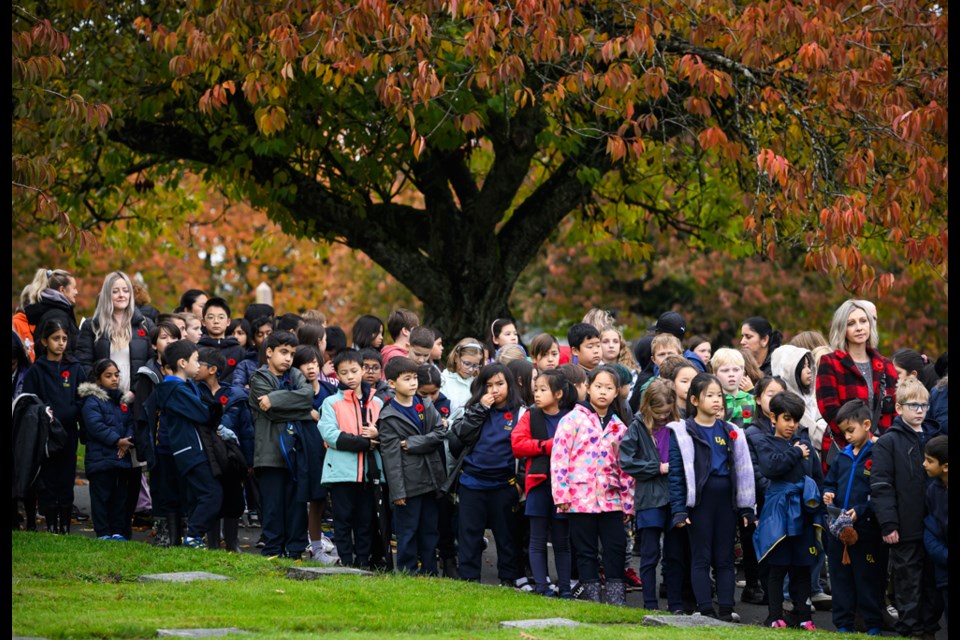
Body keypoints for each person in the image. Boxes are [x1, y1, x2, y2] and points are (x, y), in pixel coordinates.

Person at [668, 372, 756, 622]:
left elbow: (743, 469)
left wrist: (746, 508)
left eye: (719, 395)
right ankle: (705, 609)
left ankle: (727, 610)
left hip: (725, 501)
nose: (717, 400)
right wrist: (679, 509)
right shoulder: (684, 432)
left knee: (725, 556)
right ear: (694, 400)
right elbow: (676, 474)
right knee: (701, 556)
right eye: (710, 395)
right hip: (700, 502)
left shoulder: (731, 431)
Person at [551, 365, 635, 605]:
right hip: (580, 498)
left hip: (612, 500)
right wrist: (562, 495)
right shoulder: (572, 419)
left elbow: (626, 468)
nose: (602, 392)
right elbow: (559, 458)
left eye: (609, 388)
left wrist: (628, 503)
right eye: (598, 386)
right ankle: (591, 598)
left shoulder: (620, 427)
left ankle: (615, 598)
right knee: (585, 550)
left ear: (617, 392)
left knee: (615, 547)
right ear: (587, 388)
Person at [870, 376, 942, 638]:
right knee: (907, 580)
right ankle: (910, 629)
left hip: (934, 525)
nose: (920, 411)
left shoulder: (935, 439)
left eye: (924, 405)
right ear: (899, 408)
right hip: (904, 524)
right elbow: (881, 485)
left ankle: (928, 629)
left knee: (932, 581)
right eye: (914, 405)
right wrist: (889, 523)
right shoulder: (889, 441)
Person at [447, 363, 523, 587]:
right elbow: (460, 435)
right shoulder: (473, 408)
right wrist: (480, 409)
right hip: (472, 482)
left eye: (500, 384)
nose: (494, 390)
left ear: (509, 385)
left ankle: (508, 579)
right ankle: (469, 579)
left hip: (504, 484)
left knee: (506, 536)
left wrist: (519, 484)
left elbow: (525, 452)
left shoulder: (521, 412)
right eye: (488, 385)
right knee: (469, 535)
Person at [752, 391, 823, 630]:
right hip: (778, 512)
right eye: (786, 418)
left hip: (802, 512)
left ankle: (804, 616)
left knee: (802, 566)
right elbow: (771, 467)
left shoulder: (806, 445)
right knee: (777, 566)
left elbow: (816, 476)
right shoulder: (765, 442)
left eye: (796, 419)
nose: (792, 425)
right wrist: (795, 452)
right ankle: (774, 616)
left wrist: (823, 496)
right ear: (773, 417)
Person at [620, 378, 686, 612]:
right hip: (649, 498)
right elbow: (626, 461)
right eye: (657, 412)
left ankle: (675, 604)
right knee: (649, 554)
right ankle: (649, 604)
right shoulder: (637, 426)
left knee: (675, 554)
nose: (661, 417)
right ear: (647, 406)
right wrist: (656, 468)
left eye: (666, 412)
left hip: (676, 496)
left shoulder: (680, 424)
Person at [822, 399, 886, 635]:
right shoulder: (842, 456)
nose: (847, 437)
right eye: (844, 432)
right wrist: (828, 494)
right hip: (839, 529)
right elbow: (830, 482)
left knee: (866, 577)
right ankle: (843, 624)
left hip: (866, 530)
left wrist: (861, 510)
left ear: (867, 424)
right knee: (840, 579)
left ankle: (873, 623)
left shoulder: (878, 453)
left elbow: (879, 490)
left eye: (851, 430)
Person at [249, 331, 315, 558]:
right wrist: (305, 413)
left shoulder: (296, 374)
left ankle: (295, 549)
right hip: (269, 453)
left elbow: (307, 396)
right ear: (269, 352)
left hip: (296, 451)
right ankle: (273, 549)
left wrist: (275, 399)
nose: (288, 358)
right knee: (273, 505)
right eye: (283, 352)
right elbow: (274, 414)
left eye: (292, 354)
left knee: (296, 505)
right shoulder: (259, 378)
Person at [378, 356, 447, 575]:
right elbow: (390, 457)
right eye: (407, 379)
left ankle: (429, 572)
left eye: (415, 377)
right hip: (408, 485)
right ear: (391, 384)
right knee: (407, 532)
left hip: (431, 478)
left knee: (430, 530)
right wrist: (397, 492)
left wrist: (413, 443)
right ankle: (407, 573)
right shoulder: (389, 416)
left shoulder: (425, 404)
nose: (413, 383)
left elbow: (440, 432)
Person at [511, 369, 577, 598]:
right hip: (538, 484)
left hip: (564, 487)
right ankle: (542, 586)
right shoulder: (531, 415)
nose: (536, 394)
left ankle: (565, 588)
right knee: (537, 538)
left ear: (558, 393)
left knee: (561, 540)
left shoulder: (572, 416)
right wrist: (546, 446)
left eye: (542, 390)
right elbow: (517, 445)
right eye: (535, 389)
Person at [318, 350, 385, 568]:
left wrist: (377, 436)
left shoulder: (377, 403)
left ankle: (363, 560)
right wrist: (364, 443)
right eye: (344, 373)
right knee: (342, 519)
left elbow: (385, 432)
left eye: (354, 371)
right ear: (336, 375)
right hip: (341, 473)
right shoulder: (331, 402)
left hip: (369, 473)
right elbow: (330, 435)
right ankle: (346, 560)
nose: (350, 376)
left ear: (363, 370)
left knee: (365, 521)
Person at [21, 318, 87, 534]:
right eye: (56, 338)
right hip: (46, 433)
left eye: (64, 339)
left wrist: (71, 412)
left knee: (67, 477)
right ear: (44, 341)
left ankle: (65, 526)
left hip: (68, 431)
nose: (61, 343)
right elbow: (30, 400)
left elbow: (84, 397)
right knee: (48, 477)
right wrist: (46, 414)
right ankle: (50, 525)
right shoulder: (36, 371)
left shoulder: (75, 368)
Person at [816, 299, 898, 472]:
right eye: (851, 323)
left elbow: (896, 410)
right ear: (842, 329)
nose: (859, 327)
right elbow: (829, 409)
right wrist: (863, 437)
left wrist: (887, 442)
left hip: (882, 450)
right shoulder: (830, 362)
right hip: (844, 449)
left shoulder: (885, 365)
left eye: (863, 321)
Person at [154, 339, 221, 548]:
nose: (199, 364)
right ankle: (193, 535)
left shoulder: (185, 386)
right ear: (182, 363)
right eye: (196, 360)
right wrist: (213, 409)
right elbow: (203, 413)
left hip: (192, 448)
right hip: (191, 450)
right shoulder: (176, 390)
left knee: (198, 495)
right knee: (212, 493)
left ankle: (194, 537)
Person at [132, 321, 182, 546]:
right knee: (161, 489)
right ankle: (163, 532)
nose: (169, 342)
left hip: (181, 441)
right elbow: (141, 415)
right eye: (164, 338)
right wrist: (144, 447)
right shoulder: (148, 375)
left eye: (174, 338)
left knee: (183, 487)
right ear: (154, 345)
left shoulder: (186, 371)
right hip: (158, 442)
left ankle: (183, 532)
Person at [285, 345, 336, 562]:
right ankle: (310, 547)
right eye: (305, 364)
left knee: (320, 501)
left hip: (327, 452)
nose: (311, 368)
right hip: (303, 451)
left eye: (315, 362)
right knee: (303, 499)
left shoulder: (329, 390)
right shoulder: (292, 393)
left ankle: (319, 545)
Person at [195, 347, 249, 553]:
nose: (195, 367)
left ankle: (232, 543)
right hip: (206, 453)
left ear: (212, 369)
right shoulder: (193, 391)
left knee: (233, 498)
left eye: (199, 364)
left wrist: (249, 460)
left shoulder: (235, 395)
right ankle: (213, 543)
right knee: (212, 496)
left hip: (231, 455)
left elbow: (246, 430)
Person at [79, 359, 136, 540]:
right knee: (101, 498)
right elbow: (95, 426)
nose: (114, 379)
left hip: (120, 458)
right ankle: (103, 532)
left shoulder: (121, 401)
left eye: (117, 375)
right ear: (98, 379)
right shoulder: (92, 401)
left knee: (120, 499)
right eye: (108, 376)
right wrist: (116, 441)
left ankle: (118, 532)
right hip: (100, 460)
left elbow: (130, 422)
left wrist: (126, 441)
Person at [76, 271, 154, 393]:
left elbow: (152, 362)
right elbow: (83, 363)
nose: (121, 295)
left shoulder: (145, 325)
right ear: (107, 294)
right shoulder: (92, 326)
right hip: (103, 400)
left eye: (126, 290)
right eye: (115, 291)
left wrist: (135, 391)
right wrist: (101, 390)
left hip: (137, 398)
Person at [772, 344, 828, 453]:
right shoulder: (790, 403)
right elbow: (819, 437)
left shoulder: (809, 399)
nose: (809, 370)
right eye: (803, 367)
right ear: (789, 371)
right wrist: (822, 422)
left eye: (808, 365)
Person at [23, 268, 81, 358]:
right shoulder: (58, 316)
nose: (76, 292)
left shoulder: (52, 310)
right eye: (74, 288)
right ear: (62, 289)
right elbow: (64, 354)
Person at [922, 435, 948, 623]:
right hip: (944, 568)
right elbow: (930, 528)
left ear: (945, 466)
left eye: (930, 461)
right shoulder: (933, 490)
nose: (924, 464)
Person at [197, 297, 245, 383]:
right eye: (211, 317)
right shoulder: (196, 349)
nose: (216, 321)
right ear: (203, 322)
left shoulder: (238, 350)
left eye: (221, 317)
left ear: (228, 322)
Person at [440, 338, 484, 422]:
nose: (471, 369)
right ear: (456, 357)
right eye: (467, 364)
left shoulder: (477, 383)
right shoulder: (443, 380)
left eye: (475, 365)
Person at [710, 347, 757, 428]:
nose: (731, 374)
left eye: (736, 370)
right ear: (715, 374)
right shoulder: (712, 401)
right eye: (725, 370)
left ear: (743, 372)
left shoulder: (753, 400)